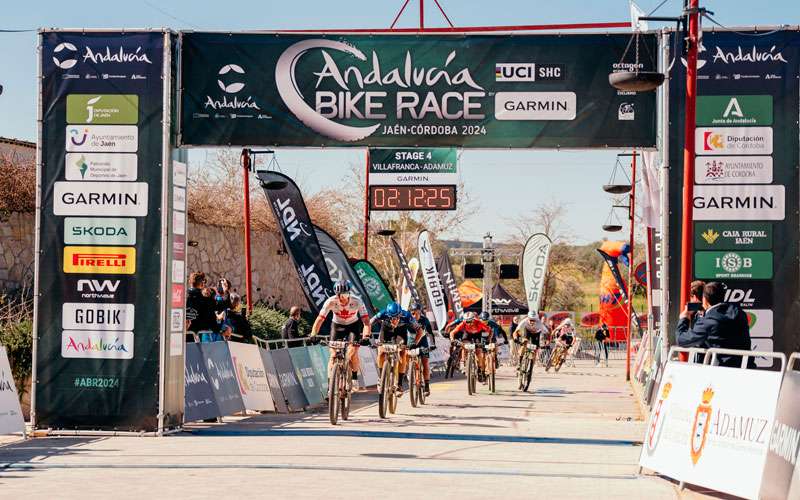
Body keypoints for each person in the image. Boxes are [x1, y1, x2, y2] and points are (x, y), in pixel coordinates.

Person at [677, 281, 752, 368]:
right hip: (746, 368)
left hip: (723, 372)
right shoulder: (738, 312)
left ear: (704, 299)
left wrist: (684, 318)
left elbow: (682, 340)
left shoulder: (709, 320)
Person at [310, 280, 371, 381]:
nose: (342, 298)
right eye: (339, 295)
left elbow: (366, 322)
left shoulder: (357, 301)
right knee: (333, 355)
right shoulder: (331, 301)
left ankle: (354, 378)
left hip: (353, 326)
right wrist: (313, 334)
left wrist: (366, 336)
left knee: (353, 353)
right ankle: (330, 386)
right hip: (337, 326)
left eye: (345, 294)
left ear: (349, 293)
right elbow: (320, 319)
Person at [372, 301, 424, 394]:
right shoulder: (383, 313)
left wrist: (414, 343)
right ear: (388, 315)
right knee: (381, 351)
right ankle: (381, 378)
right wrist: (366, 336)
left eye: (396, 318)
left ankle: (399, 384)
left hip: (400, 332)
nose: (394, 321)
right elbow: (369, 323)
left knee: (403, 352)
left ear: (400, 315)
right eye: (391, 318)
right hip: (386, 330)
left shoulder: (407, 315)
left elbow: (420, 331)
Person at [450, 312, 493, 382]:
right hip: (468, 334)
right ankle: (463, 362)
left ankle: (479, 369)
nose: (468, 323)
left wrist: (488, 340)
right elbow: (452, 332)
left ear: (473, 319)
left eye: (470, 321)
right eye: (467, 321)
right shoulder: (464, 323)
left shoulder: (479, 322)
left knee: (479, 352)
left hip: (478, 334)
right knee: (464, 344)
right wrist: (452, 340)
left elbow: (490, 331)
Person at [185, 271, 220, 343]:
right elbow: (211, 318)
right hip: (202, 335)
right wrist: (218, 329)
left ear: (190, 282)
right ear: (202, 283)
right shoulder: (206, 299)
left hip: (186, 336)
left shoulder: (183, 297)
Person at [409, 302, 434, 395]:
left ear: (420, 312)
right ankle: (410, 373)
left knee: (425, 361)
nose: (415, 315)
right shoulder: (408, 320)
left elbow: (430, 333)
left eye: (417, 313)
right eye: (412, 313)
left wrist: (432, 344)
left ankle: (427, 385)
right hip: (411, 342)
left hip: (423, 343)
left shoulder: (425, 320)